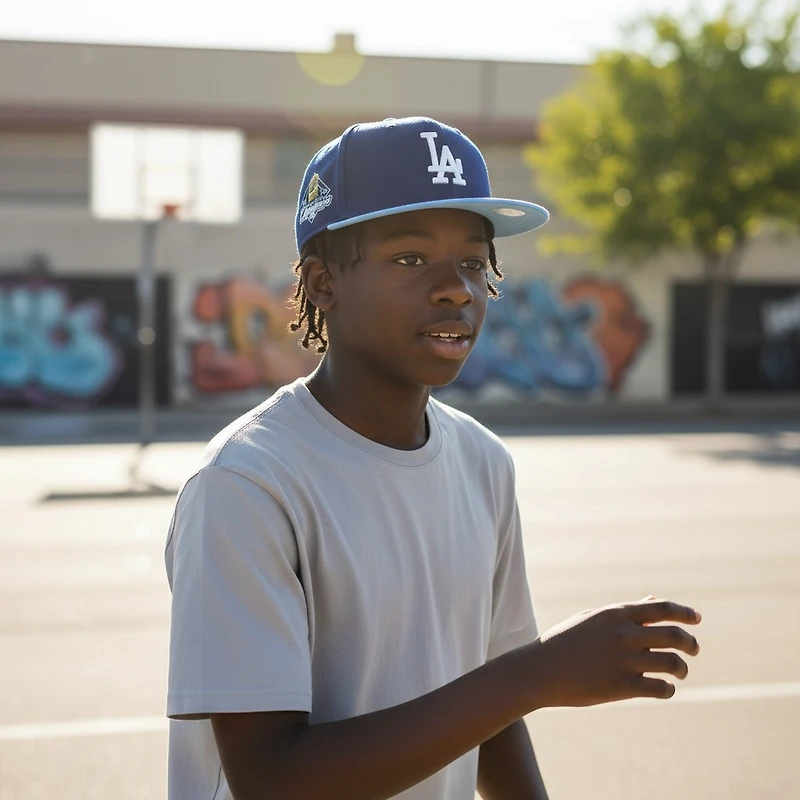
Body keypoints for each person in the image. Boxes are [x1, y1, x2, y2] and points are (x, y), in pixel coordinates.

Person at [165, 116, 701, 800]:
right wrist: (534, 676)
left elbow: (489, 716)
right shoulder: (247, 484)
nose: (457, 288)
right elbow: (270, 781)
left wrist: (520, 684)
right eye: (411, 259)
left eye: (474, 262)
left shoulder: (482, 462)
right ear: (323, 283)